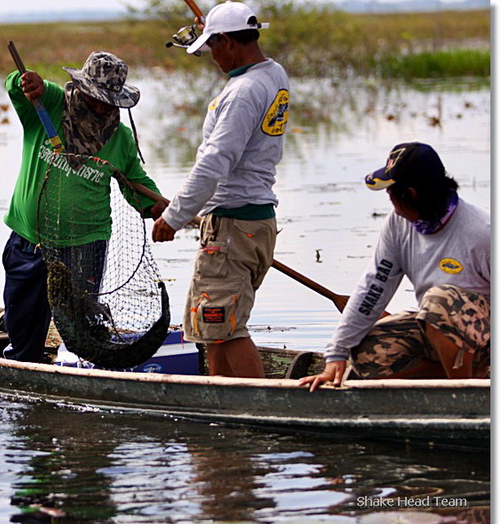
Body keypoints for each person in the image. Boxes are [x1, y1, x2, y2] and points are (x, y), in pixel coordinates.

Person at [152, 1, 290, 378]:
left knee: (225, 327)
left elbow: (215, 162)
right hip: (253, 223)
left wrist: (173, 217)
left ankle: (261, 409)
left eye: (213, 47)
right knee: (211, 328)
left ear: (228, 41)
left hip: (232, 227)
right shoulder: (273, 73)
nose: (212, 56)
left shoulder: (242, 93)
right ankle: (219, 401)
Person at [3, 51, 167, 363]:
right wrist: (27, 81)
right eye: (95, 98)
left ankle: (86, 376)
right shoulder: (48, 106)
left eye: (109, 101)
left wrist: (158, 207)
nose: (102, 106)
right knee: (24, 317)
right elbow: (17, 86)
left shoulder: (119, 137)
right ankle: (23, 369)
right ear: (81, 89)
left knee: (84, 325)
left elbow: (135, 180)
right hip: (30, 239)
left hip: (85, 245)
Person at [300, 142, 491, 392]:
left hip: (486, 339)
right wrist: (336, 354)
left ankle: (466, 392)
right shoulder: (398, 226)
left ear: (410, 195)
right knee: (367, 353)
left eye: (391, 195)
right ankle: (464, 378)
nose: (391, 206)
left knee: (438, 301)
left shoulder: (482, 232)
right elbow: (372, 290)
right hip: (437, 333)